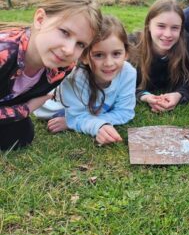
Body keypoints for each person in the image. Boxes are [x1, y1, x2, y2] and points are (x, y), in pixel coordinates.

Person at [0, 0, 102, 150]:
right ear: (40, 19)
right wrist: (26, 109)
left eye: (80, 44)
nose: (69, 50)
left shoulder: (63, 66)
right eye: (64, 32)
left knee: (21, 136)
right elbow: (26, 107)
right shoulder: (4, 53)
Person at [35, 15, 136, 146]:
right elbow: (77, 117)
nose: (109, 63)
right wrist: (76, 122)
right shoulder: (74, 78)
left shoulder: (128, 73)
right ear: (84, 57)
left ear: (126, 53)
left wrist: (94, 122)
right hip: (55, 108)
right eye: (98, 55)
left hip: (85, 111)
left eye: (116, 54)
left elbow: (125, 111)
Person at [130, 0, 189, 112]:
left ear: (181, 29)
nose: (168, 34)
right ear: (149, 25)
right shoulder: (132, 45)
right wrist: (145, 96)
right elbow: (124, 85)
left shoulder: (186, 42)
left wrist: (178, 95)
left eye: (175, 28)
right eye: (161, 26)